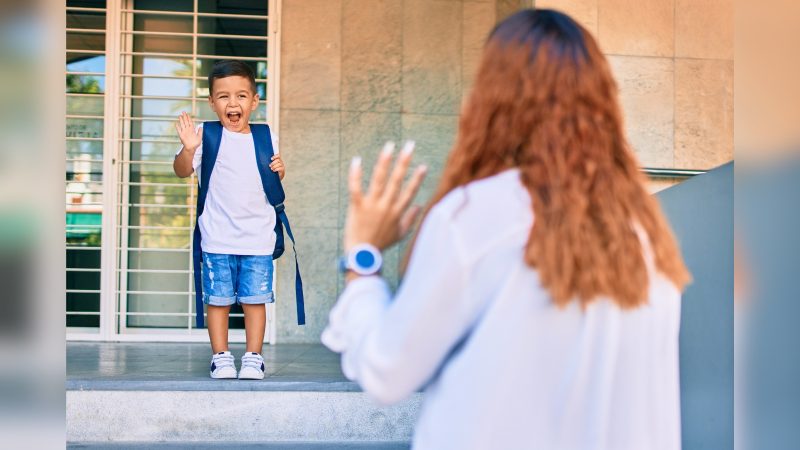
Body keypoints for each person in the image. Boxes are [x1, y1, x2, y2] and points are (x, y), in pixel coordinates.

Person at [322, 9, 691, 450]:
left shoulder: (476, 215)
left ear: (493, 98)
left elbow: (387, 371)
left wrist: (362, 260)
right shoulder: (645, 233)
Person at [173, 60, 285, 380]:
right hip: (217, 235)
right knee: (218, 301)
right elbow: (182, 170)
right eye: (223, 97)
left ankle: (253, 357)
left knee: (255, 300)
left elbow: (273, 175)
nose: (232, 103)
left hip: (257, 236)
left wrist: (281, 170)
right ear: (212, 102)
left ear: (254, 101)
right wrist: (187, 149)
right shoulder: (204, 135)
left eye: (240, 96)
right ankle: (221, 357)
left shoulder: (266, 135)